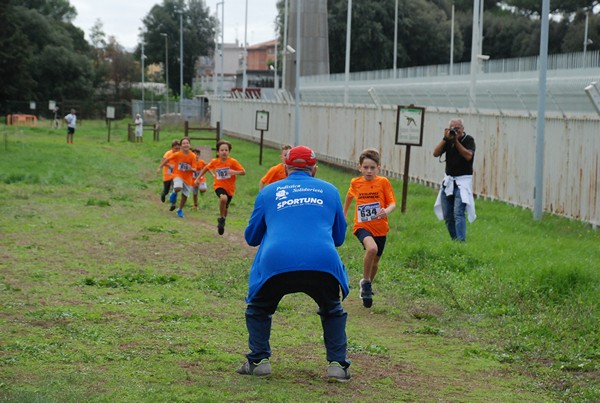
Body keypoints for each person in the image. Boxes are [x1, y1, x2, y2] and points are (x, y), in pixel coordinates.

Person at [238, 145, 351, 382]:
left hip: (276, 262)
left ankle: (258, 361)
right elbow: (339, 238)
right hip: (322, 262)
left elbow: (251, 238)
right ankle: (337, 366)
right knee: (332, 309)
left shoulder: (269, 192)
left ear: (285, 168)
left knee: (259, 307)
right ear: (315, 169)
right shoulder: (330, 191)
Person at [343, 148, 396, 308]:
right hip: (362, 225)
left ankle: (367, 286)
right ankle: (365, 282)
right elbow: (349, 196)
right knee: (371, 249)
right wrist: (343, 214)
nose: (369, 171)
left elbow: (392, 203)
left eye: (372, 168)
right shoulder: (356, 182)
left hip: (380, 227)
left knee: (375, 262)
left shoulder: (383, 182)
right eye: (365, 167)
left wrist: (386, 210)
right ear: (360, 167)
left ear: (379, 168)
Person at [433, 118, 476, 242]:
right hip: (449, 181)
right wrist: (445, 139)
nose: (455, 131)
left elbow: (468, 156)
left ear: (462, 129)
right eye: (453, 128)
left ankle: (461, 243)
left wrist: (456, 141)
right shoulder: (448, 140)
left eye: (457, 129)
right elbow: (436, 153)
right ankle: (455, 240)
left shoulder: (468, 140)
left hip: (462, 182)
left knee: (458, 213)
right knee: (447, 214)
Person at [195, 140, 245, 235]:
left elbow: (243, 172)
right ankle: (221, 218)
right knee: (223, 198)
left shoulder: (233, 162)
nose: (224, 152)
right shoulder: (215, 162)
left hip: (230, 188)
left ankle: (222, 220)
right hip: (219, 186)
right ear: (218, 152)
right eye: (222, 150)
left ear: (229, 152)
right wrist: (198, 178)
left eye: (226, 150)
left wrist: (234, 172)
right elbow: (206, 168)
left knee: (225, 207)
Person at [159, 137, 197, 218]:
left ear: (190, 145)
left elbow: (194, 169)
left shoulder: (193, 156)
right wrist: (160, 167)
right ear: (181, 146)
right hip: (177, 174)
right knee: (178, 187)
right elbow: (166, 159)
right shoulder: (177, 154)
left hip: (188, 178)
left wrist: (190, 169)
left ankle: (179, 209)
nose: (185, 145)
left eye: (187, 143)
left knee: (185, 195)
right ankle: (174, 193)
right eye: (183, 143)